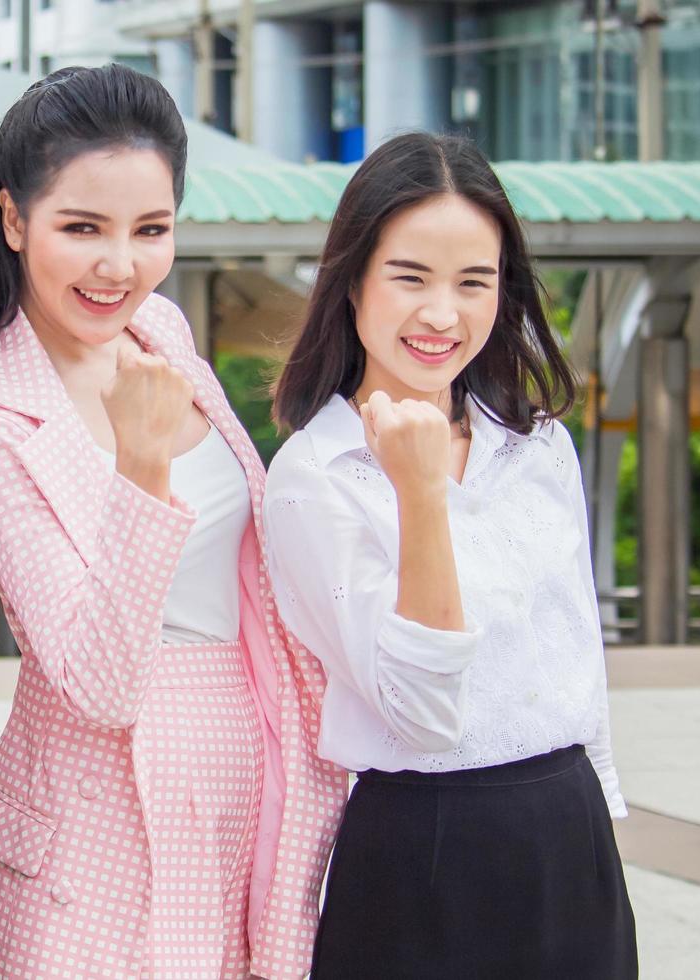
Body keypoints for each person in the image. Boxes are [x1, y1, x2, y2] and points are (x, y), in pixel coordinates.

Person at [0, 64, 347, 980]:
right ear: (12, 219)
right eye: (82, 228)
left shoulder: (162, 332)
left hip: (244, 787)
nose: (120, 265)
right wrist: (142, 469)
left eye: (150, 230)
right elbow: (97, 683)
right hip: (91, 837)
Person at [264, 131, 637, 979]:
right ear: (351, 280)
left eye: (475, 281)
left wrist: (600, 818)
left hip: (568, 833)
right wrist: (421, 494)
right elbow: (421, 712)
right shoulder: (313, 479)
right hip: (422, 849)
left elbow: (576, 640)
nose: (443, 314)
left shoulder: (538, 447)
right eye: (410, 277)